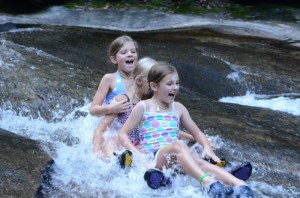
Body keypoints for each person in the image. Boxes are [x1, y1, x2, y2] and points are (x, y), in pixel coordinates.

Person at [118, 62, 254, 197]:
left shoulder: (178, 108)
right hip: (157, 158)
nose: (175, 88)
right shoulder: (143, 107)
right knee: (180, 145)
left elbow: (197, 133)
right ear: (154, 86)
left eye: (177, 83)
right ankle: (208, 182)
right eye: (169, 84)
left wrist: (207, 147)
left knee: (198, 161)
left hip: (178, 157)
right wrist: (137, 153)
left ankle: (239, 184)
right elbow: (123, 134)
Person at [90, 35, 138, 156]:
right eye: (124, 52)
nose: (130, 54)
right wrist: (110, 108)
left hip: (130, 129)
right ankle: (115, 161)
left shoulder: (140, 81)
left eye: (133, 51)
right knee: (109, 139)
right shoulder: (109, 79)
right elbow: (93, 110)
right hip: (111, 126)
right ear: (114, 59)